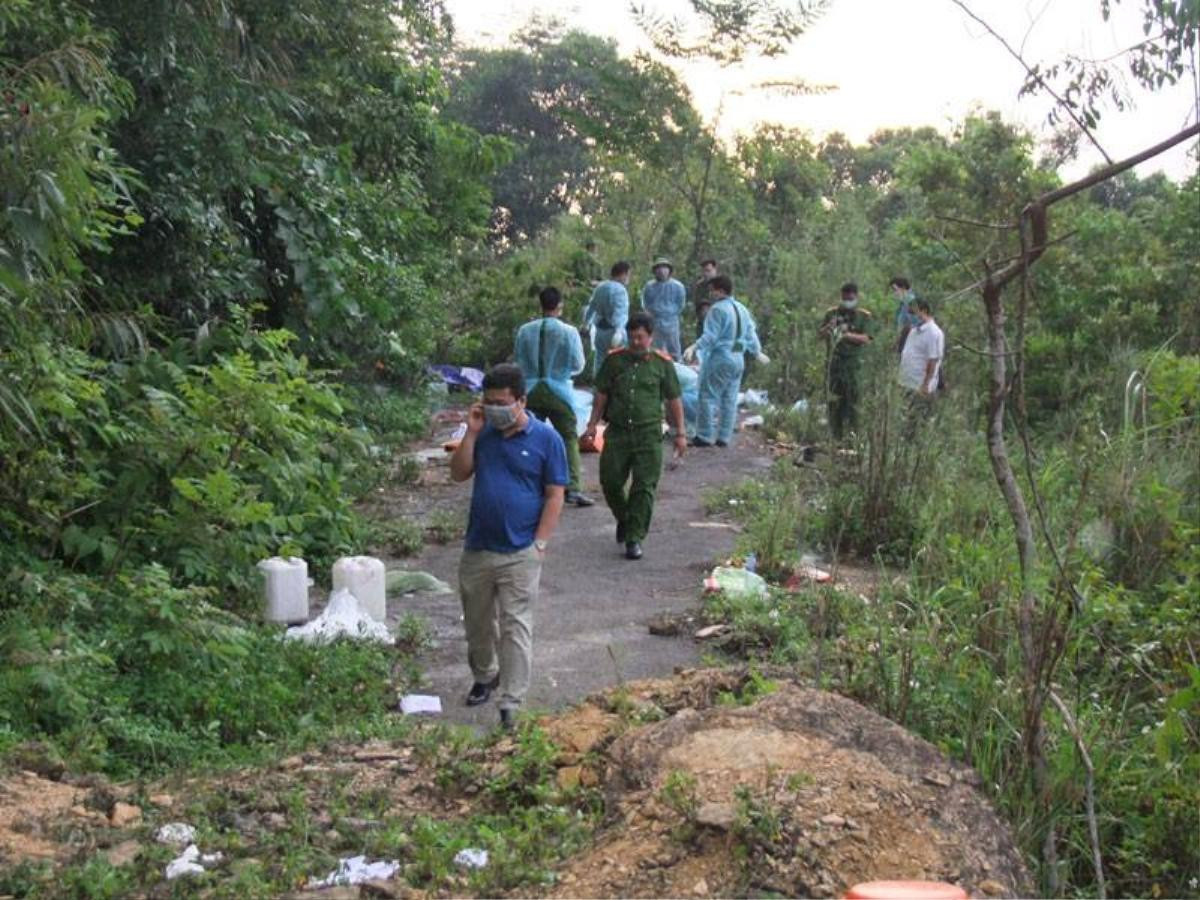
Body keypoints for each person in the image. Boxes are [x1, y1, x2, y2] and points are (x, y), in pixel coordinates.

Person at [449, 364, 567, 730]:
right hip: (479, 546)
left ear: (521, 401)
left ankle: (511, 702)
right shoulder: (483, 432)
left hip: (520, 552)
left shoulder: (547, 440)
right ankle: (486, 676)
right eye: (489, 402)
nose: (495, 408)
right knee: (479, 625)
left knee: (516, 627)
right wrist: (471, 432)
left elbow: (555, 495)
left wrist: (540, 544)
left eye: (502, 403)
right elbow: (458, 473)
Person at [583, 312, 686, 561]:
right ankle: (626, 519)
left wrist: (681, 433)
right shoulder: (614, 361)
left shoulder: (662, 365)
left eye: (640, 337)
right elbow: (601, 396)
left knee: (644, 487)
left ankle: (634, 538)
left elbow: (674, 400)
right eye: (632, 338)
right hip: (617, 432)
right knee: (610, 481)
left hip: (648, 433)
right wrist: (592, 425)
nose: (636, 342)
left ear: (650, 337)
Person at [514, 286, 594, 507]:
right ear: (560, 306)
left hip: (530, 391)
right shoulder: (568, 332)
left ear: (540, 305)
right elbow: (578, 365)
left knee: (530, 437)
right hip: (559, 391)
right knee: (568, 437)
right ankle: (573, 488)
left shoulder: (525, 331)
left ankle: (531, 485)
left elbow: (518, 363)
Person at [683, 275, 767, 448]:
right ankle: (723, 437)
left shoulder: (718, 310)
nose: (711, 293)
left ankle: (704, 436)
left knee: (707, 396)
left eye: (713, 290)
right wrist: (756, 351)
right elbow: (751, 333)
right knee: (729, 398)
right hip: (738, 358)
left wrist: (694, 347)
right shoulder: (742, 309)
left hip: (721, 356)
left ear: (720, 291)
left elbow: (710, 337)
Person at [818, 282, 875, 441]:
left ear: (856, 297)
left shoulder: (864, 316)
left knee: (853, 405)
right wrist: (829, 328)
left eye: (851, 298)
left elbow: (866, 338)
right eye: (845, 298)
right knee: (833, 404)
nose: (847, 301)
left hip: (853, 368)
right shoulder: (832, 313)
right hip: (834, 366)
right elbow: (820, 335)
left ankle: (852, 440)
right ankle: (834, 438)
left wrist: (845, 335)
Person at [582, 261, 632, 376]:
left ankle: (598, 388)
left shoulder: (601, 287)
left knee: (600, 360)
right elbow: (621, 313)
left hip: (600, 330)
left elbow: (591, 307)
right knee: (619, 362)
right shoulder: (620, 290)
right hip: (614, 331)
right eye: (628, 274)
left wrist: (586, 323)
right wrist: (619, 331)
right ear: (623, 274)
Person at [898, 297, 944, 406]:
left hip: (920, 386)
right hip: (905, 382)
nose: (910, 316)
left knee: (918, 417)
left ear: (923, 311)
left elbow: (933, 361)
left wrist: (925, 384)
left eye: (912, 313)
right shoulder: (914, 330)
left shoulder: (933, 332)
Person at [640, 257, 688, 360]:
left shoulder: (678, 286)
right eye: (659, 268)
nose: (662, 271)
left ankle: (677, 368)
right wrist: (649, 315)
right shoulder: (649, 286)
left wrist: (671, 313)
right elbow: (645, 303)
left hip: (671, 321)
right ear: (655, 271)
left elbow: (681, 304)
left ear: (669, 270)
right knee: (655, 349)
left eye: (664, 268)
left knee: (674, 348)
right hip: (655, 321)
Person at [890, 276, 920, 353]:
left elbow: (918, 323)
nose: (894, 293)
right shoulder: (904, 302)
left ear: (903, 288)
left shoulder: (911, 300)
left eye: (895, 290)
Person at [691, 258, 719, 339]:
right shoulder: (699, 285)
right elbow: (696, 302)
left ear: (715, 270)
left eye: (708, 270)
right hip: (703, 320)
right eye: (704, 271)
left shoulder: (722, 284)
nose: (706, 274)